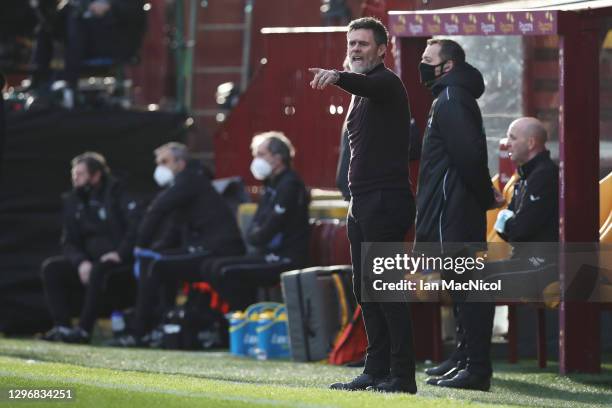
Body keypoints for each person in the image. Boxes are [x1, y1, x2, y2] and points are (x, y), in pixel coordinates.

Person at [309, 17, 417, 394]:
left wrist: (336, 76)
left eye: (363, 44)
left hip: (386, 201)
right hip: (363, 201)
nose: (355, 49)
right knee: (365, 289)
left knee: (386, 289)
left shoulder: (385, 83)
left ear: (382, 50)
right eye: (351, 43)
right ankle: (375, 370)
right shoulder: (362, 90)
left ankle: (402, 377)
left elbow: (367, 84)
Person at [415, 39, 504, 391]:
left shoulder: (451, 100)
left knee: (467, 290)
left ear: (447, 65)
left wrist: (484, 196)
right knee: (459, 288)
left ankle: (476, 368)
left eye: (427, 59)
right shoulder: (450, 97)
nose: (422, 65)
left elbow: (467, 157)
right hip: (452, 211)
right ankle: (465, 359)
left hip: (452, 213)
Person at [110, 142, 245, 347]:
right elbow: (174, 227)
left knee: (158, 265)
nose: (160, 167)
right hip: (205, 246)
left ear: (180, 163)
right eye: (158, 163)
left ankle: (140, 331)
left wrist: (140, 245)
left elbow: (158, 209)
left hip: (217, 248)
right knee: (158, 261)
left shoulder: (190, 181)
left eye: (164, 162)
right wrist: (154, 249)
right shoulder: (186, 184)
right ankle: (163, 326)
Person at [198, 131, 310, 311]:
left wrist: (256, 235)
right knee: (210, 266)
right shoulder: (271, 184)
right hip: (265, 254)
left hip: (286, 257)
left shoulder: (290, 185)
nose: (256, 159)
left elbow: (267, 230)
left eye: (261, 154)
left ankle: (248, 316)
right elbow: (256, 226)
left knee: (226, 272)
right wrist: (255, 235)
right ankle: (234, 318)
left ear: (278, 158)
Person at [40, 152, 141, 343]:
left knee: (99, 270)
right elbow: (68, 241)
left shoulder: (117, 193)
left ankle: (84, 330)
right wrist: (80, 262)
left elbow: (135, 228)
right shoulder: (73, 201)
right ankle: (62, 326)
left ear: (96, 176)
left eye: (80, 174)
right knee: (51, 268)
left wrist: (119, 253)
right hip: (88, 260)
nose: (75, 179)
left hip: (116, 260)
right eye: (74, 174)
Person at [29, 0, 146, 103]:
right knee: (48, 24)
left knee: (76, 22)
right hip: (88, 33)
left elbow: (134, 10)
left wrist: (109, 5)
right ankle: (38, 81)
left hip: (116, 38)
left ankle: (66, 81)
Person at [496, 117, 559, 243]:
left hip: (540, 261)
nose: (507, 143)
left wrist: (504, 219)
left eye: (512, 138)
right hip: (524, 258)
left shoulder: (544, 175)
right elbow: (505, 233)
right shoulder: (526, 173)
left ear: (531, 143)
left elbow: (519, 232)